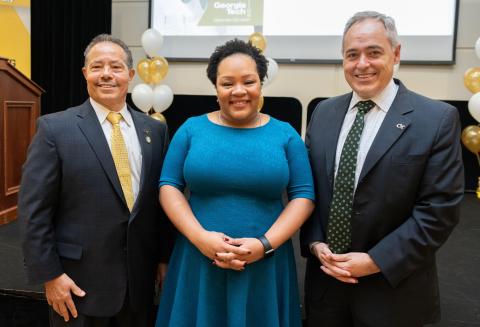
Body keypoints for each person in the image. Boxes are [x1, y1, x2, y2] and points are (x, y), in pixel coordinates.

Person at [300, 11, 464, 327]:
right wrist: (315, 242)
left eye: (374, 52)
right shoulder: (323, 112)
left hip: (393, 295)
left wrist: (376, 261)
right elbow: (309, 190)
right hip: (325, 288)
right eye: (352, 55)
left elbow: (439, 211)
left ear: (396, 53)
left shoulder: (436, 120)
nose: (362, 64)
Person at [155, 39, 315, 326]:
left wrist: (265, 244)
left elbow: (303, 195)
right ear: (216, 88)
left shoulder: (285, 134)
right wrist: (200, 238)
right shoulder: (191, 129)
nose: (239, 91)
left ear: (261, 84)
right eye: (227, 83)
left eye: (248, 81)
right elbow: (168, 185)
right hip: (198, 259)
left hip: (266, 264)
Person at [18, 34, 174, 327]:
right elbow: (33, 211)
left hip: (138, 284)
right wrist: (50, 275)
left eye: (115, 67)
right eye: (96, 66)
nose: (105, 74)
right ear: (85, 74)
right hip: (77, 285)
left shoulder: (154, 130)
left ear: (130, 74)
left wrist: (164, 258)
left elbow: (161, 204)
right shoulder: (55, 129)